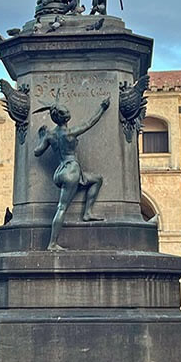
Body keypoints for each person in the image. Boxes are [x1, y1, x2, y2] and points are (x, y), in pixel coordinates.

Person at [33, 98, 110, 250]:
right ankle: (52, 243)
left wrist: (42, 138)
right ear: (65, 117)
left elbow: (37, 152)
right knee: (61, 208)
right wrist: (102, 108)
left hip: (60, 171)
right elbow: (90, 122)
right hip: (72, 170)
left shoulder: (50, 135)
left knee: (96, 179)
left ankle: (87, 213)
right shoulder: (70, 133)